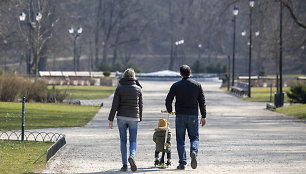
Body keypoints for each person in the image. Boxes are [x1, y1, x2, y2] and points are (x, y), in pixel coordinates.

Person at [165, 65, 206, 170]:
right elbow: (202, 101)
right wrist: (203, 116)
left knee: (180, 140)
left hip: (180, 115)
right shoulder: (197, 85)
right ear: (190, 73)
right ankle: (193, 151)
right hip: (193, 115)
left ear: (180, 74)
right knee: (194, 137)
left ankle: (182, 163)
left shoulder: (176, 85)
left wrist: (169, 110)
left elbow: (168, 99)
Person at [108, 68, 143, 172]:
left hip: (121, 117)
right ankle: (132, 156)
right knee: (133, 140)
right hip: (134, 117)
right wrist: (140, 117)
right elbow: (141, 105)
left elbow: (114, 105)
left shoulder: (119, 88)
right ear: (134, 76)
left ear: (124, 76)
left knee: (123, 141)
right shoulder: (138, 88)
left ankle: (124, 165)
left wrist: (111, 119)